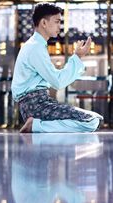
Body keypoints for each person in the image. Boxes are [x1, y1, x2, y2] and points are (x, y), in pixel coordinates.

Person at [11, 2, 103, 133]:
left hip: (37, 103)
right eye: (57, 21)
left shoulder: (35, 45)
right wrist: (77, 56)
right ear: (43, 23)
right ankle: (35, 126)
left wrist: (77, 57)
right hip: (36, 106)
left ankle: (37, 125)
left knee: (96, 118)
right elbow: (58, 81)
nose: (59, 27)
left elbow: (55, 79)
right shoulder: (35, 47)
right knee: (92, 121)